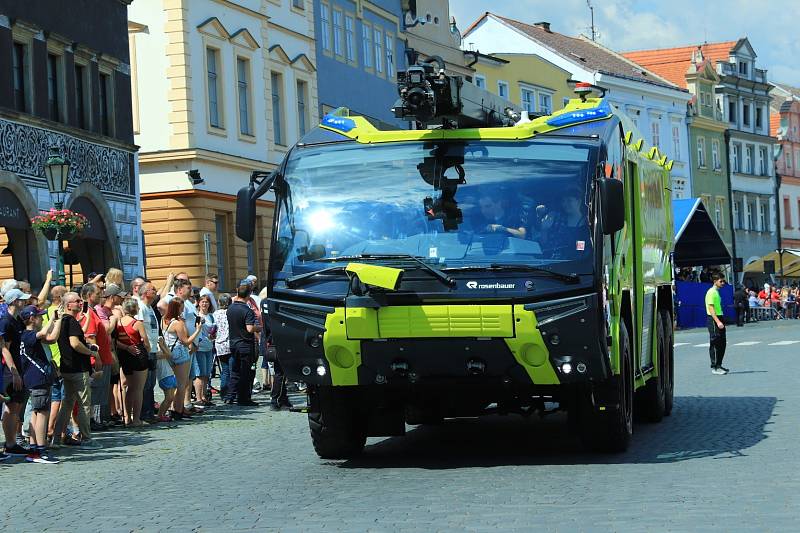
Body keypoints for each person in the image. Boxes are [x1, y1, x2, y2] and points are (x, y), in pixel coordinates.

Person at [51, 292, 102, 449]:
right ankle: (86, 439)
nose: (81, 303)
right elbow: (74, 343)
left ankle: (56, 439)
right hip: (78, 369)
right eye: (77, 301)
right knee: (84, 404)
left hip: (66, 368)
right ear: (68, 305)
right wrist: (91, 352)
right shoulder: (71, 321)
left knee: (67, 404)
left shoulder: (63, 321)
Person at [19, 305, 61, 464]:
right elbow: (44, 333)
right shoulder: (28, 335)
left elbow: (51, 338)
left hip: (35, 379)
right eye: (39, 316)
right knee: (42, 412)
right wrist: (52, 320)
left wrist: (57, 321)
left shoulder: (27, 335)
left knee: (37, 412)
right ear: (31, 319)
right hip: (38, 378)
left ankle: (34, 449)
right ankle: (41, 450)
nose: (42, 318)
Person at [1, 288, 33, 459]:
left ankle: (12, 442)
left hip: (20, 368)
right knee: (12, 406)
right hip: (10, 370)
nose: (25, 301)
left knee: (17, 407)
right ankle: (10, 443)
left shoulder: (17, 320)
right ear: (14, 301)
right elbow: (4, 349)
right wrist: (14, 372)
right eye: (22, 299)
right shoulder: (6, 321)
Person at [82, 283, 115, 431]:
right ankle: (92, 420)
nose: (101, 295)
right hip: (97, 359)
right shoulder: (88, 313)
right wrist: (97, 358)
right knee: (95, 392)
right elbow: (90, 338)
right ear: (89, 296)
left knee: (99, 391)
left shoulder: (93, 311)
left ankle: (96, 419)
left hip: (104, 357)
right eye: (97, 293)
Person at [162, 298, 201, 419]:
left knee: (176, 383)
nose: (183, 309)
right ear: (177, 308)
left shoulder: (164, 320)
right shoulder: (178, 323)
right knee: (182, 384)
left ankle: (174, 408)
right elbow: (186, 341)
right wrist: (198, 330)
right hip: (181, 353)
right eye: (182, 307)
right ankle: (178, 410)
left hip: (169, 353)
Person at [115, 298, 151, 426]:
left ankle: (126, 417)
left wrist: (125, 347)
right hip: (138, 355)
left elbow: (114, 341)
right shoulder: (137, 323)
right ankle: (136, 419)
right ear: (135, 309)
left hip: (124, 356)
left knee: (128, 388)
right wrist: (148, 350)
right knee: (138, 389)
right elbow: (145, 341)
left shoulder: (118, 322)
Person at [226, 281, 260, 406]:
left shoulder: (230, 308)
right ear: (249, 295)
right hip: (245, 344)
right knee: (247, 372)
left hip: (233, 343)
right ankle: (244, 398)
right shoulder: (247, 310)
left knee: (235, 371)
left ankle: (230, 396)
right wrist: (260, 328)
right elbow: (250, 328)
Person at [135, 281, 160, 421]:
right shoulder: (141, 307)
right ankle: (145, 413)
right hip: (146, 349)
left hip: (153, 349)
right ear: (145, 293)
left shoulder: (149, 307)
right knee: (146, 384)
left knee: (151, 384)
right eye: (153, 290)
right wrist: (147, 346)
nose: (155, 291)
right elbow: (139, 327)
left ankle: (149, 412)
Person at [262, 297, 291, 411]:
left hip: (272, 339)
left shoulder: (264, 302)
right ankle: (275, 399)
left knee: (280, 372)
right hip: (280, 339)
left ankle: (283, 399)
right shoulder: (280, 300)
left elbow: (265, 323)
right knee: (281, 373)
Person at [193, 295, 215, 407]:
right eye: (202, 302)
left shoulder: (210, 316)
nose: (204, 304)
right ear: (199, 303)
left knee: (206, 374)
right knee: (199, 374)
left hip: (209, 347)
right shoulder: (197, 315)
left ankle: (204, 396)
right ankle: (198, 397)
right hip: (200, 347)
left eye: (206, 302)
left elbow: (213, 331)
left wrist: (213, 335)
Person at [706, 273, 728, 375]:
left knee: (722, 343)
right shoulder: (711, 292)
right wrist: (718, 321)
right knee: (715, 342)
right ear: (715, 281)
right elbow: (711, 309)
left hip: (719, 317)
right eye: (721, 281)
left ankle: (719, 364)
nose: (723, 283)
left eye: (723, 281)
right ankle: (714, 367)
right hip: (714, 319)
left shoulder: (716, 292)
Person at [213, 294, 232, 399]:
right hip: (230, 344)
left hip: (220, 345)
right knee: (232, 370)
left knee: (225, 370)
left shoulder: (215, 314)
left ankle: (224, 394)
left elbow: (213, 329)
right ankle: (231, 393)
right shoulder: (230, 313)